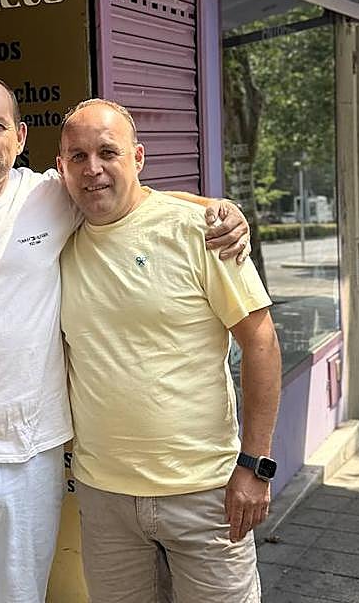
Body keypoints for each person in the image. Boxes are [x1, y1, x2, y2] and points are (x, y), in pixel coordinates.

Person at [0, 74, 251, 603]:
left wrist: (216, 209)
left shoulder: (48, 195)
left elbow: (130, 191)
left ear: (20, 137)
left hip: (32, 456)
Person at [56, 98, 281, 603]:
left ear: (138, 158)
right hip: (104, 497)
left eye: (108, 153)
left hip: (205, 494)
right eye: (78, 156)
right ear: (60, 168)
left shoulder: (202, 233)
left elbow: (261, 342)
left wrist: (256, 464)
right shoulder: (58, 236)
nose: (93, 169)